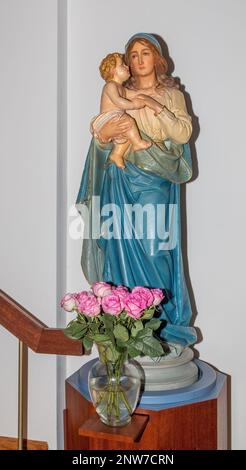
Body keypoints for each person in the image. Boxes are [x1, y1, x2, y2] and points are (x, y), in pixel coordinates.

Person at [76, 33, 197, 352]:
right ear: (126, 62)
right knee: (121, 248)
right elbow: (100, 137)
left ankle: (161, 324)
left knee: (156, 248)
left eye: (145, 53)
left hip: (156, 178)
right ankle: (129, 326)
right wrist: (105, 135)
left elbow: (182, 133)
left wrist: (156, 106)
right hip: (120, 178)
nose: (139, 59)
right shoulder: (118, 92)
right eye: (132, 54)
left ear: (157, 59)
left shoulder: (171, 95)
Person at [91, 52, 151, 169]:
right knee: (129, 123)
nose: (127, 66)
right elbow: (118, 101)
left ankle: (116, 154)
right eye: (122, 65)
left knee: (129, 134)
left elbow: (135, 93)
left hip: (116, 117)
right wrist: (133, 105)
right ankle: (137, 144)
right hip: (107, 118)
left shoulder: (121, 88)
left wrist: (150, 91)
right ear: (113, 71)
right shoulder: (110, 86)